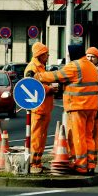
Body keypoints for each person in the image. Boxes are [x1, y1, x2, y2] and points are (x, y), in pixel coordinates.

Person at [34, 45, 98, 175]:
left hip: (78, 106)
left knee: (78, 137)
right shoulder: (92, 66)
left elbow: (56, 76)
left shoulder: (75, 66)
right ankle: (91, 164)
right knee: (88, 136)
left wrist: (37, 76)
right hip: (92, 107)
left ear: (73, 54)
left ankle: (81, 165)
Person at [24, 42, 57, 174]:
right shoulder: (32, 68)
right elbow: (31, 86)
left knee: (41, 137)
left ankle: (37, 162)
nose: (48, 56)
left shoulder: (40, 67)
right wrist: (50, 89)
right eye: (46, 54)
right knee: (36, 137)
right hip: (38, 108)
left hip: (44, 108)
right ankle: (33, 163)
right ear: (40, 55)